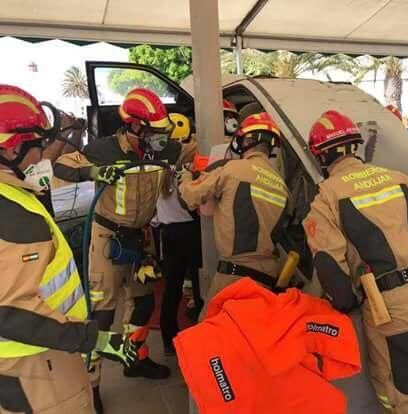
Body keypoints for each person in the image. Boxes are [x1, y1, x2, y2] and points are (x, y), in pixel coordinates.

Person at [303, 109, 408, 413]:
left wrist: (349, 304)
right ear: (355, 146)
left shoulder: (326, 198)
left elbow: (331, 270)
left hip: (390, 313)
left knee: (402, 402)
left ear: (321, 156)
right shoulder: (398, 179)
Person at [0, 85, 137, 414]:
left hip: (33, 355)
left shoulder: (13, 196)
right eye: (38, 145)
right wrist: (95, 339)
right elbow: (10, 312)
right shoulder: (14, 213)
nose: (43, 155)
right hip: (35, 363)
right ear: (10, 149)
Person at [54, 88, 181, 411]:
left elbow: (189, 153)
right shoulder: (103, 149)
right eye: (152, 132)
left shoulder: (163, 152)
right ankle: (92, 383)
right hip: (107, 238)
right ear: (133, 126)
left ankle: (134, 358)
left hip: (140, 239)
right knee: (102, 314)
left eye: (161, 133)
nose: (159, 139)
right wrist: (94, 172)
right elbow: (61, 166)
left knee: (142, 304)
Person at [179, 112, 290, 305]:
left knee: (210, 329)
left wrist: (185, 177)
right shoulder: (282, 186)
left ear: (245, 140)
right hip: (270, 276)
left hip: (235, 275)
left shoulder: (233, 169)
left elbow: (192, 197)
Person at [155, 113, 203, 356]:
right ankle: (203, 331)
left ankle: (168, 338)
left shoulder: (156, 168)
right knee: (198, 283)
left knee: (171, 287)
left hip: (168, 233)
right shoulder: (189, 166)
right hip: (191, 230)